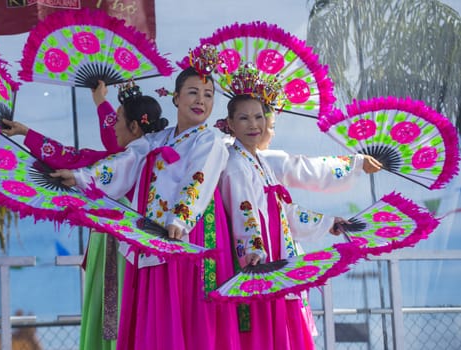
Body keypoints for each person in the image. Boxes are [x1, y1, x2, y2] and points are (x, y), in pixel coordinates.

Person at [53, 67, 241, 350]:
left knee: (187, 313)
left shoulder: (209, 138)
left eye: (208, 95)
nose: (201, 100)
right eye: (193, 92)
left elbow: (199, 177)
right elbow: (124, 162)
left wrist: (180, 218)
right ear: (176, 98)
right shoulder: (156, 140)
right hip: (152, 239)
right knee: (155, 314)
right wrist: (81, 177)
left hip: (187, 235)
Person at [2, 80, 168, 350]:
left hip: (119, 245)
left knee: (115, 311)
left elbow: (77, 158)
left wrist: (78, 176)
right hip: (139, 246)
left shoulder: (133, 156)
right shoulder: (154, 150)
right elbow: (85, 151)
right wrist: (100, 101)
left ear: (135, 127)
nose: (113, 125)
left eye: (119, 120)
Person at [219, 92, 359, 350]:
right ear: (229, 123)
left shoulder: (260, 161)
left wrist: (327, 221)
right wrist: (253, 251)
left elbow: (283, 211)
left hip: (276, 255)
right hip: (260, 261)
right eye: (244, 118)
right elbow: (244, 212)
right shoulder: (236, 165)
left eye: (259, 117)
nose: (253, 125)